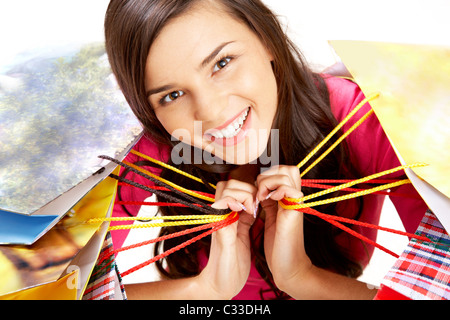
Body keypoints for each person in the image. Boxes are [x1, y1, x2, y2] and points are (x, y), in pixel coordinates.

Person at [104, 0, 427, 299]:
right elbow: (64, 289)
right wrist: (206, 290)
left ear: (266, 39)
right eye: (171, 95)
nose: (212, 112)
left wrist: (302, 277)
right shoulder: (149, 146)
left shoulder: (361, 118)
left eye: (222, 62)